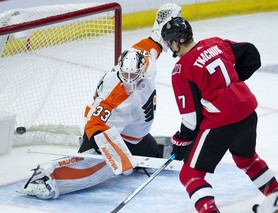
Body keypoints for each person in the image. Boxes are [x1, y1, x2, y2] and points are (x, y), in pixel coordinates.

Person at [19, 3, 181, 200]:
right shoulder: (114, 95)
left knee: (152, 154)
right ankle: (47, 179)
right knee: (98, 166)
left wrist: (164, 25)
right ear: (120, 68)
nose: (129, 81)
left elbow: (153, 42)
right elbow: (95, 124)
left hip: (131, 135)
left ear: (142, 70)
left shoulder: (146, 60)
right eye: (125, 75)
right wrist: (117, 154)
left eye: (134, 75)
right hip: (103, 132)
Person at [161, 17, 278, 213]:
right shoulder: (215, 43)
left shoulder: (181, 70)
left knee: (190, 174)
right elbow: (251, 54)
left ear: (175, 42)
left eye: (169, 42)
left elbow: (191, 118)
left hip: (222, 123)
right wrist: (230, 85)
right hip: (247, 113)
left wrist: (182, 140)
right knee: (248, 159)